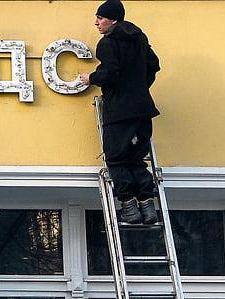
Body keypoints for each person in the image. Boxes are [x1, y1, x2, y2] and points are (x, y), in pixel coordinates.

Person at [79, 0, 162, 226]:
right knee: (136, 158)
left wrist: (91, 78)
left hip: (118, 111)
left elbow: (110, 73)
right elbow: (154, 64)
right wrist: (140, 86)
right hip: (142, 109)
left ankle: (129, 208)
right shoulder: (139, 38)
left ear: (113, 19)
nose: (96, 22)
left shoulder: (108, 43)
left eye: (100, 18)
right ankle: (147, 205)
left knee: (116, 158)